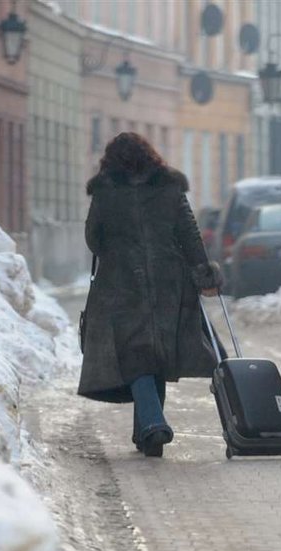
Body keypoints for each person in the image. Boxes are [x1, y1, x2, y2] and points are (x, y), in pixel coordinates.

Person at [77, 132, 221, 458]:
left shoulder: (105, 191)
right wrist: (203, 272)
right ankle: (146, 435)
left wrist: (116, 252)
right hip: (170, 282)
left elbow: (93, 238)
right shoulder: (170, 188)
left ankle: (153, 425)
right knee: (154, 355)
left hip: (121, 283)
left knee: (136, 354)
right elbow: (189, 233)